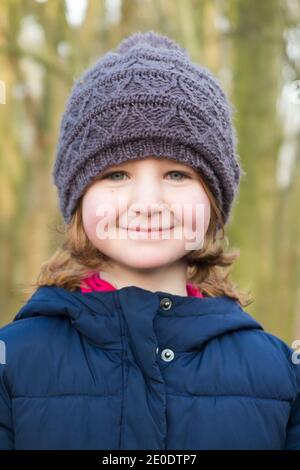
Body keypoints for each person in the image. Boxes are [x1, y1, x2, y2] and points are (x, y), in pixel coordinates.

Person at [0, 30, 299, 450]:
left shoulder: (280, 374)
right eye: (116, 175)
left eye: (177, 175)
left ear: (213, 200)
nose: (147, 203)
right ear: (79, 197)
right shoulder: (10, 362)